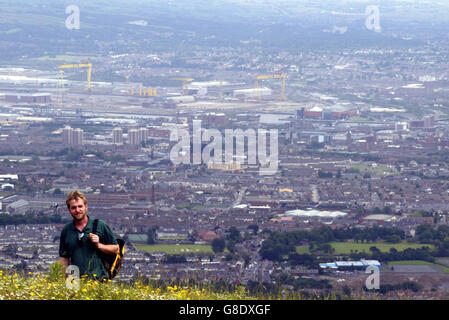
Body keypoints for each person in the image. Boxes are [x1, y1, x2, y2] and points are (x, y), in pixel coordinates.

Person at [59, 190, 119, 281]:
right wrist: (63, 282)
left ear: (86, 207)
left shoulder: (100, 226)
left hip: (98, 281)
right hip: (75, 282)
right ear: (69, 210)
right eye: (73, 207)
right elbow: (64, 259)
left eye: (80, 206)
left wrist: (99, 245)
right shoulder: (66, 231)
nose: (77, 210)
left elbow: (116, 249)